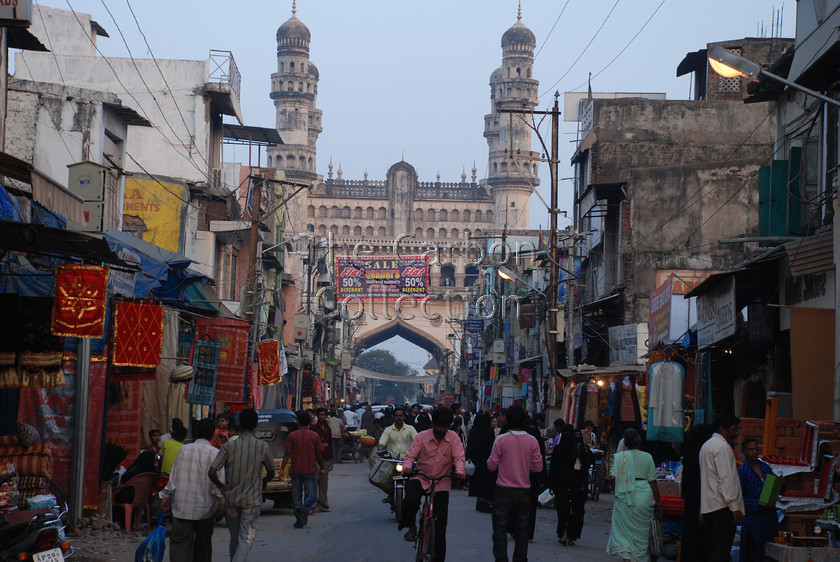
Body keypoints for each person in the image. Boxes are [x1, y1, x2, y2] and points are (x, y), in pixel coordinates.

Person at [400, 406, 466, 561]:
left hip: (442, 481)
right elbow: (410, 456)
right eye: (439, 426)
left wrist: (460, 471)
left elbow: (459, 458)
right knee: (410, 500)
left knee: (441, 526)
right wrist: (408, 467)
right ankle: (411, 526)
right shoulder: (422, 437)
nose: (442, 430)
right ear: (433, 424)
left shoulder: (454, 438)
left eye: (445, 427)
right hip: (421, 477)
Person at [209, 408, 274, 562]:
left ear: (239, 423)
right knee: (246, 538)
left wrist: (221, 486)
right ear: (256, 425)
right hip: (251, 501)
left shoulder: (229, 446)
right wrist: (263, 482)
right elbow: (271, 471)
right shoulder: (262, 446)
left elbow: (212, 472)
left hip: (231, 500)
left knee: (234, 538)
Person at [160, 418, 224, 562]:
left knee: (180, 545)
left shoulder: (184, 449)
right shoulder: (215, 453)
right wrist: (221, 502)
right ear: (213, 433)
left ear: (196, 432)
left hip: (182, 506)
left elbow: (174, 475)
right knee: (203, 545)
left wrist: (166, 496)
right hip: (205, 508)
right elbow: (219, 481)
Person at [486, 405, 543, 562]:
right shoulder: (532, 441)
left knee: (499, 529)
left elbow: (491, 465)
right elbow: (538, 467)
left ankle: (501, 559)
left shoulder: (501, 440)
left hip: (503, 490)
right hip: (524, 491)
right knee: (522, 530)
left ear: (508, 421)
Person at [606, 428, 662, 561]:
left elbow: (612, 478)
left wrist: (616, 491)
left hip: (624, 497)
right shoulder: (647, 457)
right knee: (641, 533)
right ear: (639, 441)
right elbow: (653, 482)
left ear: (624, 442)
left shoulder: (619, 457)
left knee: (623, 532)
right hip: (644, 498)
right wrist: (659, 502)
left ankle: (627, 556)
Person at [699, 415, 744, 562]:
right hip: (722, 506)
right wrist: (734, 507)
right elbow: (726, 479)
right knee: (721, 551)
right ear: (723, 429)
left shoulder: (707, 446)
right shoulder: (722, 447)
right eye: (733, 429)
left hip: (710, 506)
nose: (736, 433)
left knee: (714, 550)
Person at [737, 437, 778, 562]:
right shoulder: (742, 472)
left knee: (769, 553)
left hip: (769, 518)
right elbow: (741, 498)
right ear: (743, 451)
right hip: (753, 521)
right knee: (753, 554)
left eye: (756, 449)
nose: (754, 452)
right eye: (750, 449)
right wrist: (758, 504)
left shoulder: (765, 467)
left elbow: (772, 486)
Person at [281, 410, 324, 528]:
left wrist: (281, 468)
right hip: (309, 468)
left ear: (298, 422)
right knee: (311, 494)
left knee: (296, 496)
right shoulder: (314, 435)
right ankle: (305, 508)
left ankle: (299, 520)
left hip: (296, 469)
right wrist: (322, 468)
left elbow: (287, 453)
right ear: (310, 422)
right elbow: (319, 453)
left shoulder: (292, 436)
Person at [680, 424, 715, 562]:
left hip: (692, 502)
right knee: (700, 541)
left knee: (691, 538)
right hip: (700, 502)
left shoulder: (691, 454)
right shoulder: (702, 454)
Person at [466, 411, 497, 513]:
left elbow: (470, 445)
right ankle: (484, 501)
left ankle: (477, 496)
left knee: (476, 478)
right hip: (486, 460)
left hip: (476, 459)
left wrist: (469, 456)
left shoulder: (474, 431)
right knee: (485, 481)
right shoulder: (489, 431)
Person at [309, 407, 334, 512]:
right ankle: (313, 504)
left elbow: (330, 444)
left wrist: (331, 459)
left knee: (324, 482)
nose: (321, 417)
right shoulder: (313, 428)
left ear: (326, 416)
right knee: (314, 481)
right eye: (320, 415)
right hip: (315, 457)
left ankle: (323, 503)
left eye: (323, 415)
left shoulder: (328, 429)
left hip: (326, 457)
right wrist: (320, 445)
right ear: (317, 416)